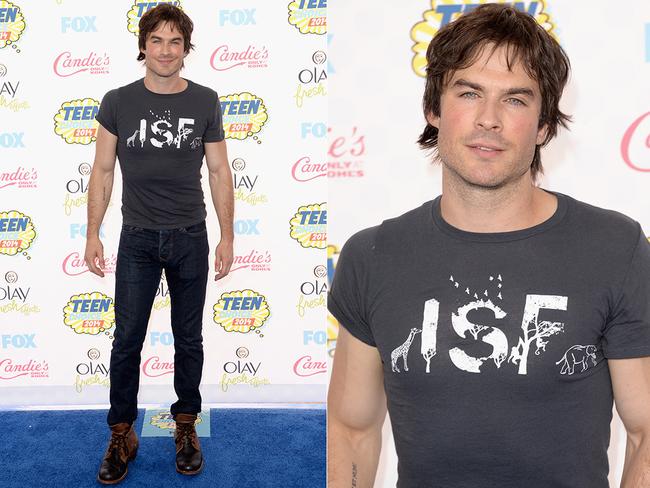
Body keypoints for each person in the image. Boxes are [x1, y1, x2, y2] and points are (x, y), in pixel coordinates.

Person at [327, 4, 650, 488]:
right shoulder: (373, 256)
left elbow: (646, 432)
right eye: (469, 92)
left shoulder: (614, 247)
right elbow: (351, 430)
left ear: (544, 126)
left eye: (516, 100)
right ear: (434, 109)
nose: (489, 120)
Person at [84, 4, 234, 484]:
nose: (165, 50)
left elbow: (218, 170)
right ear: (143, 46)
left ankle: (185, 424)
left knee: (189, 339)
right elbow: (103, 171)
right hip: (137, 239)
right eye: (157, 40)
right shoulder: (117, 101)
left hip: (191, 236)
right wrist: (92, 233)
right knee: (126, 339)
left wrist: (228, 235)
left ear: (186, 49)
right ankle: (120, 431)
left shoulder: (206, 100)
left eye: (175, 41)